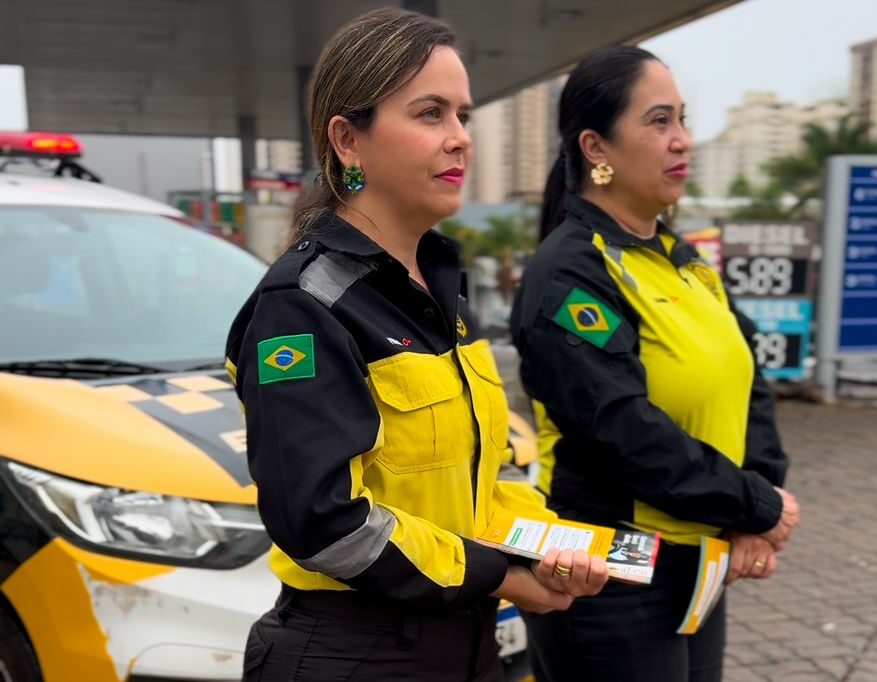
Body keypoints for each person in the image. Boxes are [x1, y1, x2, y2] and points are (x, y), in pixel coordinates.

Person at [225, 9, 607, 682]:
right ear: (349, 139)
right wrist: (504, 575)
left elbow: (479, 484)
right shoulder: (303, 305)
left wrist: (558, 546)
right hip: (353, 654)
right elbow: (325, 523)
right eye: (430, 114)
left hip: (465, 641)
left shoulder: (444, 294)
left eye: (464, 115)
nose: (460, 139)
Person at [508, 46, 801, 682]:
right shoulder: (570, 272)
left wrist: (758, 504)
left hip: (700, 559)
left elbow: (748, 382)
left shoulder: (682, 258)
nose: (682, 141)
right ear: (596, 146)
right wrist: (753, 503)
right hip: (608, 568)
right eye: (659, 121)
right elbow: (622, 429)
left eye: (683, 120)